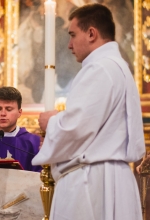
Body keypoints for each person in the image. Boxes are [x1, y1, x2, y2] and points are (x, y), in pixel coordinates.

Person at [32, 4, 145, 220]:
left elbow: (77, 127)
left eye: (73, 35)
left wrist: (52, 122)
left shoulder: (100, 68)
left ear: (91, 33)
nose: (69, 45)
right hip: (109, 177)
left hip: (91, 181)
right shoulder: (116, 66)